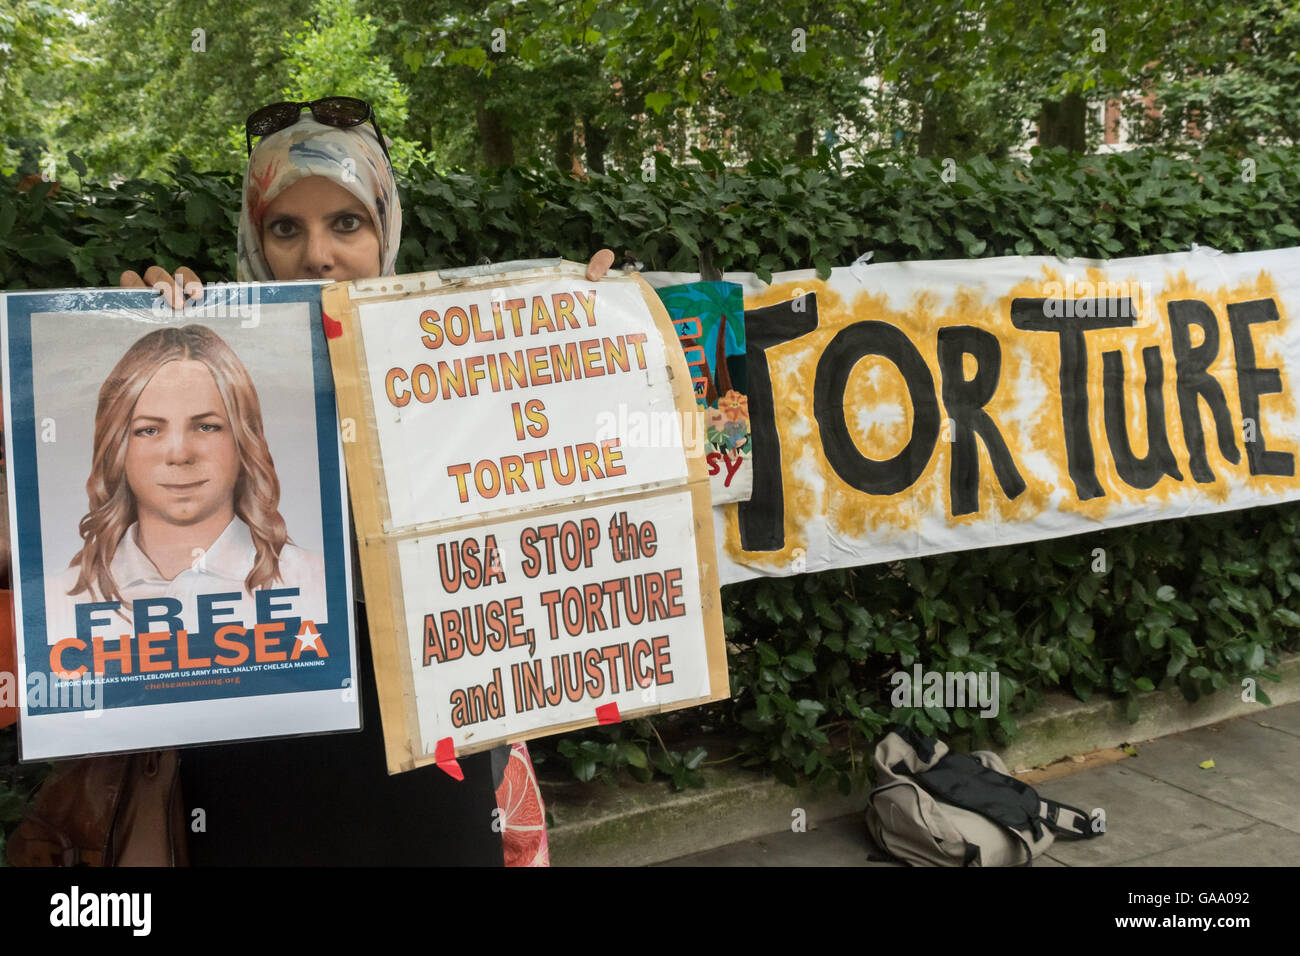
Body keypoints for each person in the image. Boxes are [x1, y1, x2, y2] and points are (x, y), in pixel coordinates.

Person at [120, 98, 612, 866]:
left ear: (387, 231)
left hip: (431, 746)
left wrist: (601, 325)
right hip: (257, 754)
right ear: (255, 242)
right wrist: (112, 335)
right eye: (286, 228)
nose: (317, 254)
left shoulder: (463, 364)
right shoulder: (196, 366)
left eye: (346, 223)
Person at [45, 324, 327, 647]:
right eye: (149, 430)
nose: (179, 454)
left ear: (243, 441)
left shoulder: (314, 580)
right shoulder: (62, 599)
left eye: (206, 427)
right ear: (117, 448)